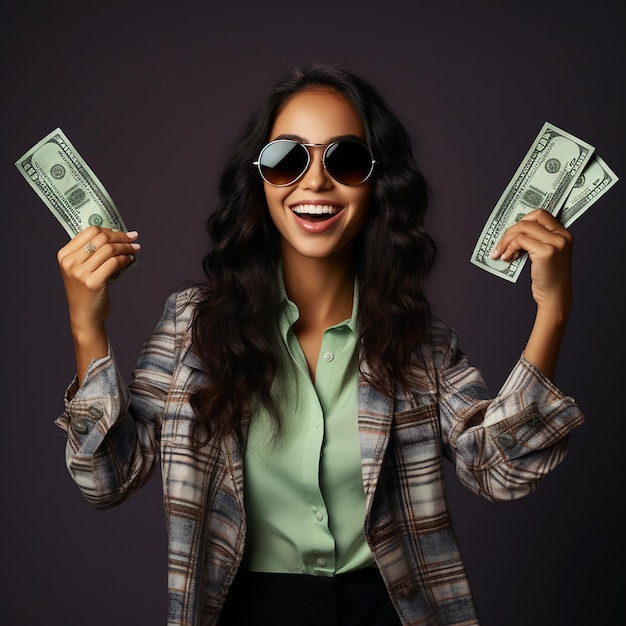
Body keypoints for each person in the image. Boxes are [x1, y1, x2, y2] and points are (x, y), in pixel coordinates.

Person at [55, 63, 584, 626]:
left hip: (388, 610)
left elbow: (500, 472)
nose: (313, 182)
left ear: (379, 183)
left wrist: (552, 310)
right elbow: (106, 478)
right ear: (259, 179)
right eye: (287, 159)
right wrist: (88, 329)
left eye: (345, 160)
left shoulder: (417, 338)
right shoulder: (192, 327)